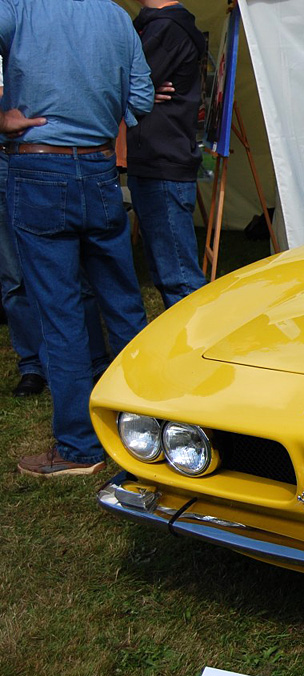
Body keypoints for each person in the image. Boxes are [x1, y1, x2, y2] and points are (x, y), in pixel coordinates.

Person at [0, 0, 154, 477]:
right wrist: (104, 117)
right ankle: (147, 430)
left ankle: (78, 446)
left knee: (60, 312)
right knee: (124, 304)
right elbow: (143, 97)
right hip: (99, 166)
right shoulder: (113, 15)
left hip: (41, 167)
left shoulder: (20, 7)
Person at [127, 0, 208, 309]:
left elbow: (129, 83)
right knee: (169, 272)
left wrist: (135, 92)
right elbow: (136, 85)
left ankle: (199, 349)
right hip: (158, 161)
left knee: (179, 278)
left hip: (163, 164)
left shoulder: (167, 28)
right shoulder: (156, 25)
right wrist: (138, 91)